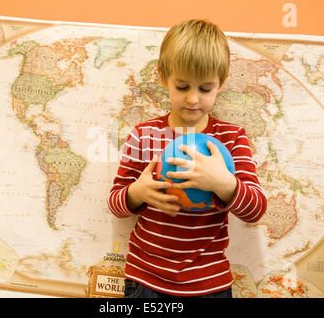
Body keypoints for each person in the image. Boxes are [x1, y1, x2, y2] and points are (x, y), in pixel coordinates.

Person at [107, 19, 267, 298]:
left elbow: (256, 209)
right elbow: (115, 203)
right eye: (182, 87)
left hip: (209, 284)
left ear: (222, 82)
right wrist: (138, 192)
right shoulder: (145, 134)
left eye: (205, 89)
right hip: (144, 280)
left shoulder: (231, 137)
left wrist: (222, 183)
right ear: (162, 77)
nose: (193, 99)